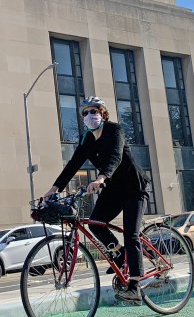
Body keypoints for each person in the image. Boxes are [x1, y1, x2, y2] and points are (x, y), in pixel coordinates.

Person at [42, 96, 150, 305]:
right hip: (113, 190)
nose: (90, 116)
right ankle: (119, 256)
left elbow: (115, 157)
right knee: (96, 223)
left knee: (131, 234)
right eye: (86, 113)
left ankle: (135, 285)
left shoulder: (115, 130)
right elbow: (72, 165)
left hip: (134, 188)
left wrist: (101, 178)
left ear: (103, 114)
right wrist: (53, 189)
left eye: (95, 111)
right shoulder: (87, 140)